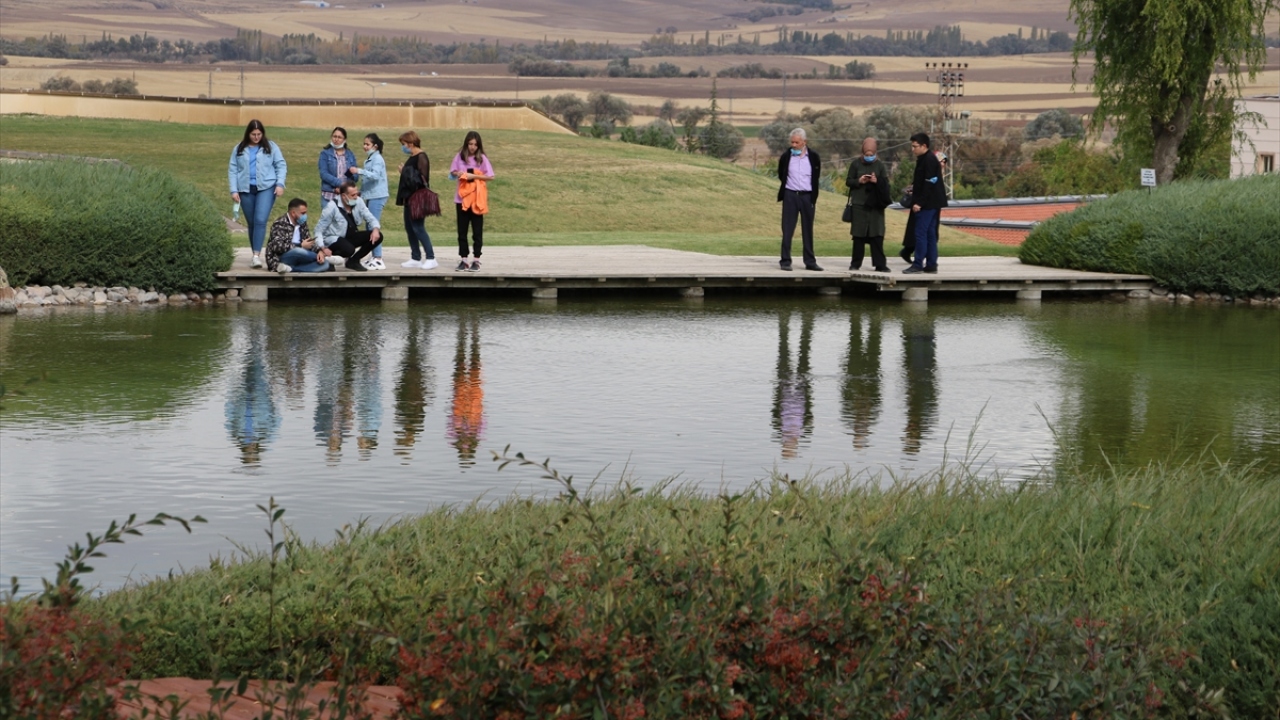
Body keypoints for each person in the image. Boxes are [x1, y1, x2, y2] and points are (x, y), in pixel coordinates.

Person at [228, 119, 288, 269]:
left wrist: (280, 183)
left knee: (260, 219)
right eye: (253, 134)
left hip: (266, 187)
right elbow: (233, 169)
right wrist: (234, 190)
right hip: (245, 188)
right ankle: (254, 251)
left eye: (259, 134)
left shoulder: (271, 147)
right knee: (252, 223)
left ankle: (256, 256)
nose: (256, 137)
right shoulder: (239, 149)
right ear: (248, 134)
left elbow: (280, 165)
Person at [775, 128, 823, 271]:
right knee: (788, 228)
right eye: (792, 142)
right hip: (790, 195)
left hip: (807, 196)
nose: (794, 145)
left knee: (808, 229)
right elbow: (781, 174)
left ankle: (810, 261)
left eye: (797, 142)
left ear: (804, 142)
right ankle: (785, 261)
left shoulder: (814, 157)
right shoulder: (786, 157)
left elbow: (816, 175)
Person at [449, 131, 494, 272]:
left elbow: (491, 176)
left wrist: (473, 176)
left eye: (475, 144)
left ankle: (477, 260)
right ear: (466, 144)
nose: (472, 147)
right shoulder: (460, 157)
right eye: (470, 144)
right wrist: (458, 174)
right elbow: (452, 172)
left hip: (477, 200)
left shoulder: (482, 159)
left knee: (477, 231)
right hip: (461, 200)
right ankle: (463, 259)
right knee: (462, 232)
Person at [844, 137, 892, 272]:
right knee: (858, 236)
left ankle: (880, 264)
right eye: (867, 155)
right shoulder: (855, 164)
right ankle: (855, 264)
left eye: (871, 155)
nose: (869, 157)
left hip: (875, 206)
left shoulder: (880, 165)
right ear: (863, 152)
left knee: (877, 235)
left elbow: (886, 184)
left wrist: (877, 181)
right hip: (859, 205)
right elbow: (848, 181)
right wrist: (859, 181)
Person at [314, 181, 383, 272]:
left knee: (378, 236)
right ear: (343, 196)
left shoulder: (358, 201)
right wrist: (322, 247)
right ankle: (328, 259)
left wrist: (375, 229)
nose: (356, 197)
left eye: (357, 194)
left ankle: (353, 261)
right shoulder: (331, 207)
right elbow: (318, 230)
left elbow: (370, 217)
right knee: (348, 250)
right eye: (353, 195)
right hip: (333, 238)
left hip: (350, 235)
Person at [903, 133, 947, 274]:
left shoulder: (929, 160)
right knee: (930, 234)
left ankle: (917, 264)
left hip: (928, 204)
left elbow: (929, 183)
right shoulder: (924, 159)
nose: (912, 149)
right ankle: (931, 264)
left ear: (924, 146)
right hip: (933, 202)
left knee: (920, 234)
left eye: (915, 146)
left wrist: (919, 203)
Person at [396, 130, 438, 270]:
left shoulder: (421, 157)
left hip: (418, 199)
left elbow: (422, 180)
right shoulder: (412, 156)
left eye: (404, 144)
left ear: (411, 143)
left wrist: (405, 172)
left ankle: (431, 257)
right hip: (408, 198)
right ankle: (415, 256)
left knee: (418, 228)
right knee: (409, 228)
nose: (403, 147)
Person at [347, 133, 389, 269]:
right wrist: (361, 192)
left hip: (378, 196)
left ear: (375, 146)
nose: (365, 146)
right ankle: (373, 256)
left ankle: (378, 258)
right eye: (364, 144)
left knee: (373, 226)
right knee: (369, 226)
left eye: (367, 144)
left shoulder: (377, 159)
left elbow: (375, 176)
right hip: (371, 195)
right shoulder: (371, 159)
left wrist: (359, 171)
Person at [265, 198, 333, 273]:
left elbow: (309, 242)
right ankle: (326, 258)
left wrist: (319, 251)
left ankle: (290, 269)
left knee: (325, 265)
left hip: (300, 258)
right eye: (303, 213)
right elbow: (277, 247)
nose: (305, 216)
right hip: (280, 258)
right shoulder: (279, 224)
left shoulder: (302, 224)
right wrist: (300, 246)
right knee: (298, 251)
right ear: (293, 213)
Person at [318, 127, 358, 209]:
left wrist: (345, 186)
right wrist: (339, 184)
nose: (336, 139)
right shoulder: (325, 154)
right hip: (329, 195)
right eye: (334, 136)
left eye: (339, 137)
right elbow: (323, 174)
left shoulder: (350, 155)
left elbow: (356, 177)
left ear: (345, 140)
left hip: (346, 196)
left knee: (345, 221)